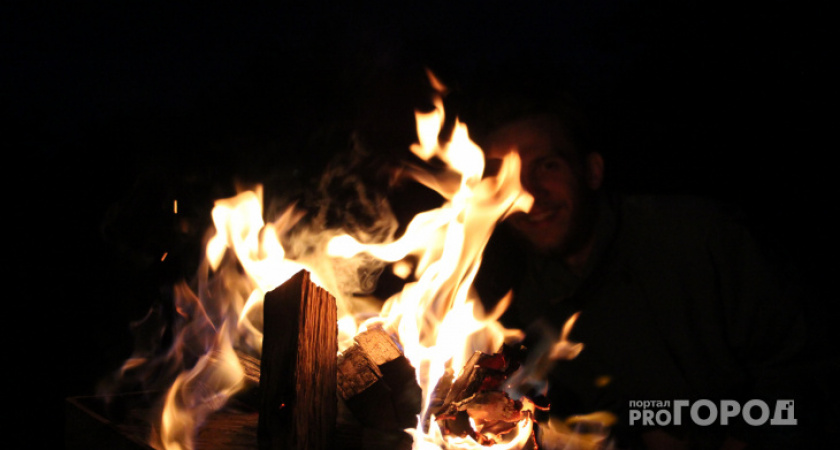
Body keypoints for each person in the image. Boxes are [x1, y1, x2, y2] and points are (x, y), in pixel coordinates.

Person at [468, 92, 827, 449]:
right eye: (507, 180)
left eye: (547, 166)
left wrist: (733, 436)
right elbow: (610, 415)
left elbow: (806, 377)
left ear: (592, 171)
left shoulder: (699, 238)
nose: (529, 194)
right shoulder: (526, 302)